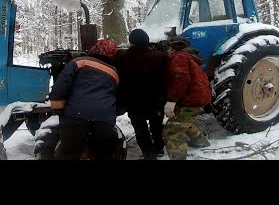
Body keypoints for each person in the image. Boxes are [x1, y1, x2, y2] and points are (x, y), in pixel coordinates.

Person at [49, 39, 120, 160]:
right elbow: (116, 96)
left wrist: (59, 111)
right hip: (104, 120)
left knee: (68, 153)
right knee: (104, 154)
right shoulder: (114, 73)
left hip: (76, 116)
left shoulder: (78, 62)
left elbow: (60, 87)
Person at [115, 28, 167, 160]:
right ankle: (159, 148)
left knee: (140, 130)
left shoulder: (123, 58)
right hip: (156, 100)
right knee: (157, 126)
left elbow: (119, 80)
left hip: (134, 101)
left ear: (131, 42)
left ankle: (148, 154)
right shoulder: (160, 56)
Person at [162, 36, 211, 160]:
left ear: (174, 48)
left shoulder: (178, 57)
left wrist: (172, 100)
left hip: (192, 99)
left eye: (169, 48)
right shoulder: (189, 57)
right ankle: (201, 141)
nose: (167, 51)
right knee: (184, 120)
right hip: (199, 97)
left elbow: (182, 78)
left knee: (171, 132)